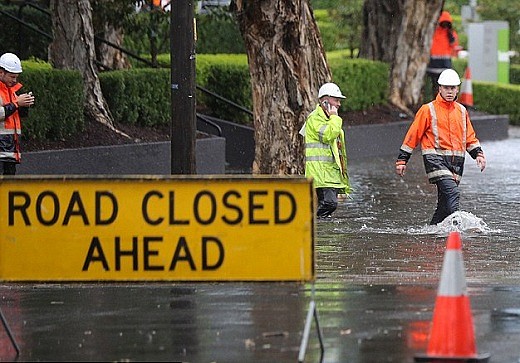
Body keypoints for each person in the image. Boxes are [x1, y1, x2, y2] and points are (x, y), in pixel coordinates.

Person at [395, 69, 486, 225]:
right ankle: (455, 229)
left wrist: (478, 154)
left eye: (452, 88)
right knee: (453, 193)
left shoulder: (462, 111)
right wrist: (402, 160)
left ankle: (432, 232)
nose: (449, 91)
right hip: (435, 159)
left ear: (457, 89)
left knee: (444, 206)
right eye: (446, 88)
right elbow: (413, 135)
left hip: (456, 163)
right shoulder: (428, 109)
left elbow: (469, 137)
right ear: (440, 88)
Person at [302, 82, 352, 219]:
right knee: (330, 203)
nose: (339, 104)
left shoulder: (328, 119)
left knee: (327, 206)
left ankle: (320, 228)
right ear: (325, 101)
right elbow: (328, 135)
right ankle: (312, 225)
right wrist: (335, 117)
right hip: (320, 173)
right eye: (336, 100)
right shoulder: (315, 119)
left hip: (330, 173)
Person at [0, 52, 35, 175]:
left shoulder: (13, 92)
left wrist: (24, 105)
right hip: (2, 152)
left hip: (10, 152)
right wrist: (16, 104)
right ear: (1, 73)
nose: (15, 80)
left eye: (16, 77)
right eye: (12, 77)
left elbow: (17, 118)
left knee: (8, 190)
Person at [426, 10, 460, 98]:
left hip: (439, 65)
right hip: (438, 65)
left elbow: (454, 46)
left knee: (439, 87)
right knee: (438, 87)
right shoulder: (438, 32)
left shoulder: (449, 34)